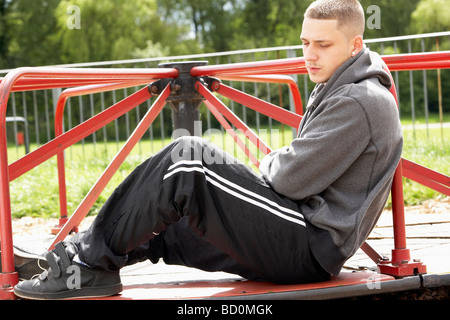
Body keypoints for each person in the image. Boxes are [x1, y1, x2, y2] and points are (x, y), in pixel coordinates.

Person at [14, 0, 403, 300]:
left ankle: (84, 262)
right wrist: (281, 162)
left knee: (189, 159)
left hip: (310, 245)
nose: (310, 54)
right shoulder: (342, 82)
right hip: (299, 231)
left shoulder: (359, 100)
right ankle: (78, 261)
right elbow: (299, 169)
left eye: (323, 44)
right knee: (171, 223)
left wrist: (270, 160)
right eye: (305, 43)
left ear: (355, 45)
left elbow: (288, 177)